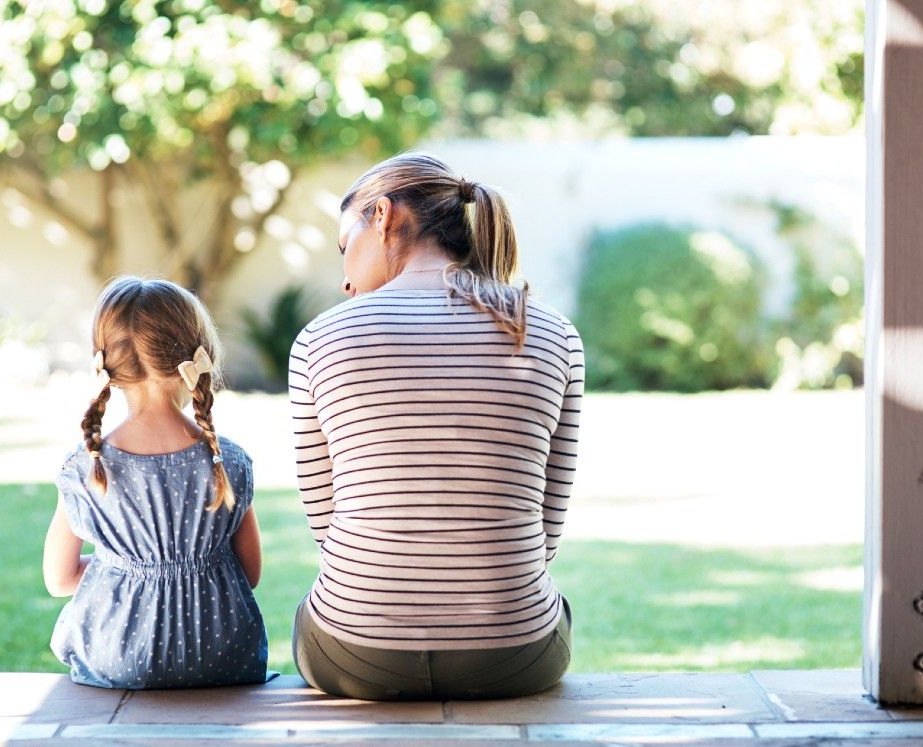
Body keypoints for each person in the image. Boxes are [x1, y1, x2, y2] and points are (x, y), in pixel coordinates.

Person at [288, 152, 585, 700]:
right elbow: (546, 527)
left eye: (343, 246)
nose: (344, 278)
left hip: (355, 655)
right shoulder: (551, 332)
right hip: (514, 654)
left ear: (382, 215)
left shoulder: (320, 340)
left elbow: (327, 527)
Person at [43, 276, 267, 689]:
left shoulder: (86, 467)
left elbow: (59, 579)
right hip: (222, 657)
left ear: (105, 364)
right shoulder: (228, 462)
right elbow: (249, 573)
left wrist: (124, 566)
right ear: (198, 356)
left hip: (117, 659)